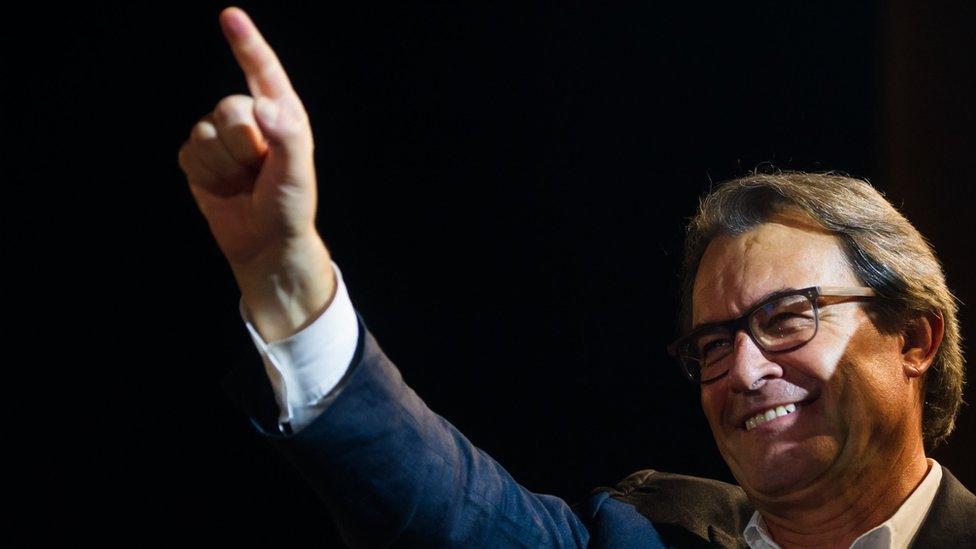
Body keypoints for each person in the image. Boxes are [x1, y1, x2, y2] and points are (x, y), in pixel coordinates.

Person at [177, 7, 975, 547]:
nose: (743, 368)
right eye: (713, 342)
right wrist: (284, 274)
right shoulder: (645, 531)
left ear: (912, 336)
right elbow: (446, 504)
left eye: (787, 317)